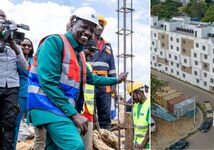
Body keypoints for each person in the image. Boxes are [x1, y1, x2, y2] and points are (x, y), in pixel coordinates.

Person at [26, 7, 127, 150]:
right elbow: (48, 82)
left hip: (60, 108)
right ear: (73, 23)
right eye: (84, 27)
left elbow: (93, 79)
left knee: (54, 147)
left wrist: (116, 80)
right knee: (75, 146)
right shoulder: (54, 42)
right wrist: (74, 114)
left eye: (91, 30)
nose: (88, 32)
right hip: (47, 106)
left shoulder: (79, 55)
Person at [0, 9, 28, 150]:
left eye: (3, 18)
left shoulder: (15, 45)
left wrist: (14, 47)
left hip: (12, 87)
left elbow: (24, 67)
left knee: (10, 122)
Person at [90, 15, 116, 130]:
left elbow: (112, 67)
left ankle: (107, 135)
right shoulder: (87, 42)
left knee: (105, 113)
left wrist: (113, 84)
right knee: (90, 112)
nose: (100, 27)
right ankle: (92, 138)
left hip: (105, 83)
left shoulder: (107, 45)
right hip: (90, 81)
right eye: (98, 24)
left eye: (102, 25)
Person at [14, 38, 34, 147]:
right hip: (20, 93)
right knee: (16, 123)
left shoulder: (33, 60)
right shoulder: (15, 58)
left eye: (29, 46)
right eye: (24, 45)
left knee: (36, 124)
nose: (26, 47)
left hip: (33, 95)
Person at [81, 39, 99, 150]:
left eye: (95, 52)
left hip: (89, 115)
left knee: (87, 146)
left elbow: (92, 95)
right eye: (91, 50)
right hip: (78, 114)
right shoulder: (78, 65)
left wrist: (95, 116)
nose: (92, 54)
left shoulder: (90, 68)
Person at [127, 81, 150, 149]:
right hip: (137, 144)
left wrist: (142, 145)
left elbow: (150, 129)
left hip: (146, 146)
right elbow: (131, 124)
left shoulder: (148, 106)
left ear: (139, 92)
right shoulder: (135, 106)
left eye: (133, 96)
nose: (132, 98)